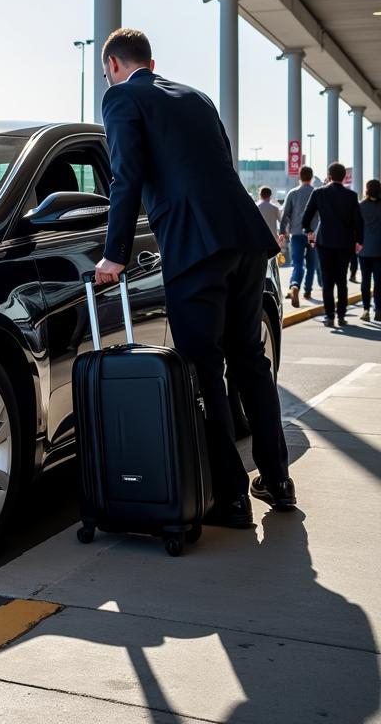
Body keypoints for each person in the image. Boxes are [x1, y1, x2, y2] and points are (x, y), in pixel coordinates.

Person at [93, 28, 294, 528]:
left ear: (114, 65)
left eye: (105, 72)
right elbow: (216, 165)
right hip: (245, 237)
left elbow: (126, 177)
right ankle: (278, 480)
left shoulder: (120, 97)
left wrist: (114, 255)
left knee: (204, 367)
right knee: (250, 361)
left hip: (194, 246)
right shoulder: (196, 97)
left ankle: (230, 499)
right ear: (151, 61)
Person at [303, 162, 363, 328]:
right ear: (344, 177)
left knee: (327, 281)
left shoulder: (319, 193)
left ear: (329, 176)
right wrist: (360, 241)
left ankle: (330, 316)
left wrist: (308, 231)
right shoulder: (351, 196)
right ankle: (342, 315)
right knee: (341, 280)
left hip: (324, 242)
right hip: (345, 243)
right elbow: (358, 221)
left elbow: (306, 216)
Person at [279, 165, 320, 306]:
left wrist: (282, 231)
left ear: (299, 177)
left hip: (296, 234)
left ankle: (295, 284)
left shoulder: (293, 193)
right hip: (312, 234)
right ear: (312, 177)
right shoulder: (317, 193)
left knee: (297, 263)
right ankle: (307, 291)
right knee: (311, 264)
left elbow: (285, 214)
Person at [357, 179, 381, 321]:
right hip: (379, 250)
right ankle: (378, 309)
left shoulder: (361, 206)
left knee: (365, 280)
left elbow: (356, 227)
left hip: (364, 249)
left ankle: (366, 310)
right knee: (379, 282)